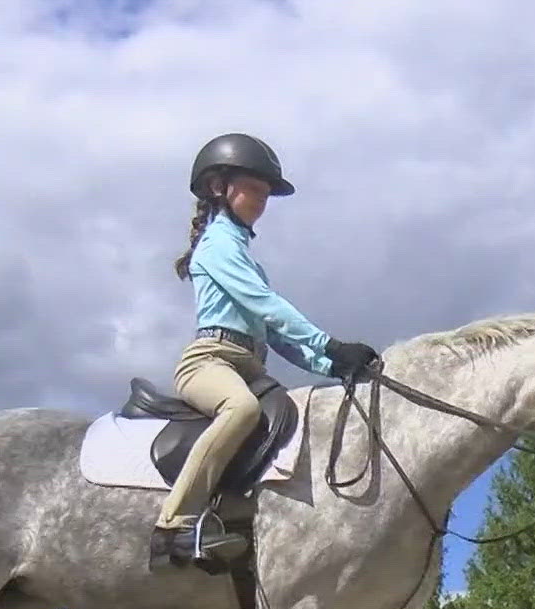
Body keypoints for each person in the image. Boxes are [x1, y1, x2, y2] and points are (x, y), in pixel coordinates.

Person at [156, 132, 378, 562]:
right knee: (241, 410)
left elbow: (273, 334)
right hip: (210, 361)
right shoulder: (217, 245)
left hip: (253, 366)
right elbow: (266, 306)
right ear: (219, 187)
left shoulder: (245, 257)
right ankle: (173, 528)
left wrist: (333, 365)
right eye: (253, 189)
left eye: (265, 193)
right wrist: (329, 343)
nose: (261, 200)